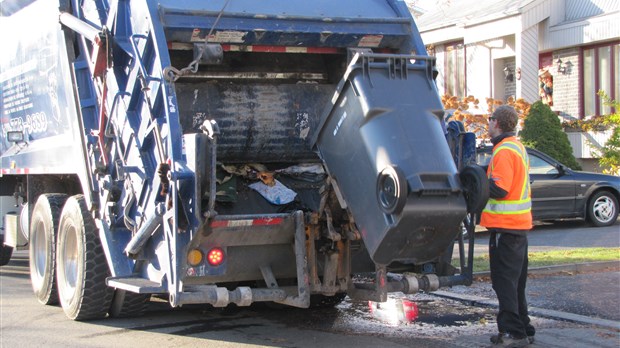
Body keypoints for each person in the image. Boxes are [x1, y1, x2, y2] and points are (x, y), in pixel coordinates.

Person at [481, 105, 535, 347]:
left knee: (504, 283)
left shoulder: (503, 151)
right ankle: (524, 327)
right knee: (516, 283)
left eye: (490, 119)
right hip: (518, 228)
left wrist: (476, 186)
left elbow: (500, 189)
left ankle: (513, 333)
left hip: (505, 228)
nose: (488, 123)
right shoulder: (517, 147)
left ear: (497, 123)